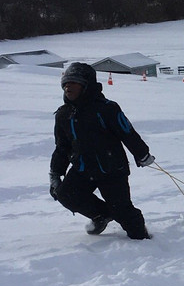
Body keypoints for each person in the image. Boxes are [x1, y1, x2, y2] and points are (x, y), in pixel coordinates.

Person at [49, 62, 155, 239]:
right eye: (66, 83)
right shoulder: (63, 114)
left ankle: (142, 239)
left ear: (86, 85)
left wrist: (142, 154)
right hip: (83, 168)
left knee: (122, 209)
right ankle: (102, 215)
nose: (68, 86)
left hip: (111, 168)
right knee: (65, 193)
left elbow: (127, 132)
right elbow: (62, 147)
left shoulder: (106, 108)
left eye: (74, 82)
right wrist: (55, 172)